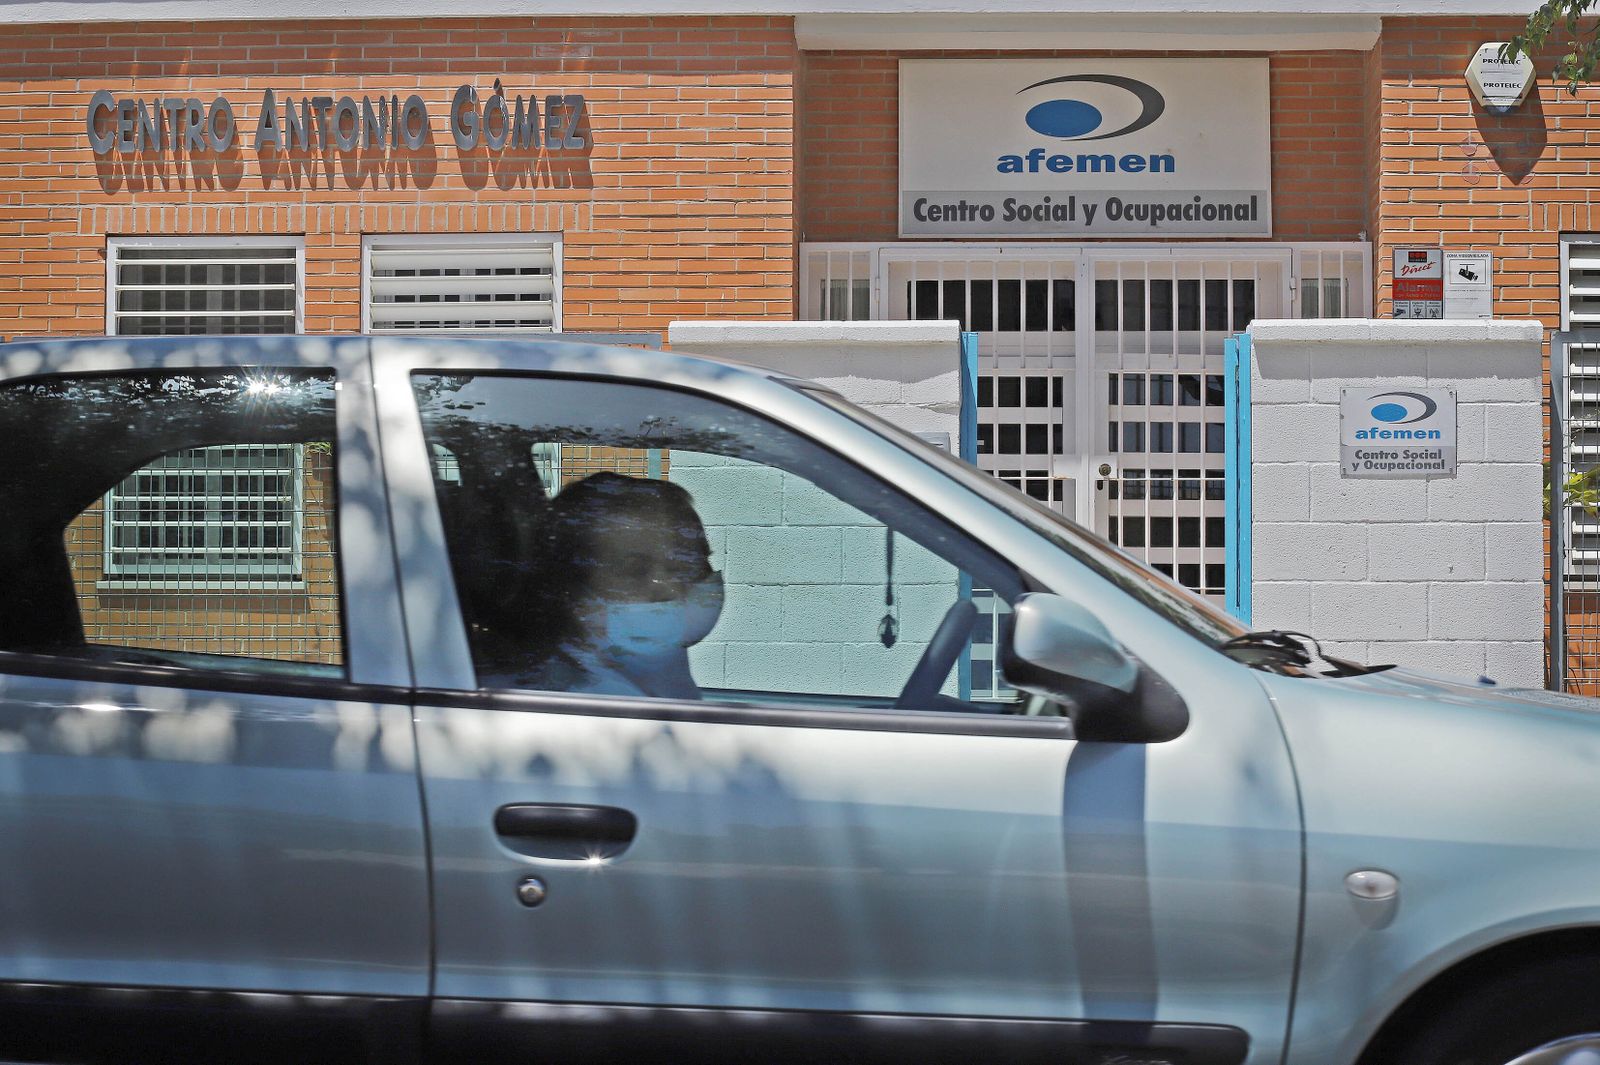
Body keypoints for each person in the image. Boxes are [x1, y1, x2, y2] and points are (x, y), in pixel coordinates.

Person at [522, 471, 723, 700]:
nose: (669, 588)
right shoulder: (581, 699)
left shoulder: (653, 665)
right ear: (572, 586)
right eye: (635, 570)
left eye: (688, 564)